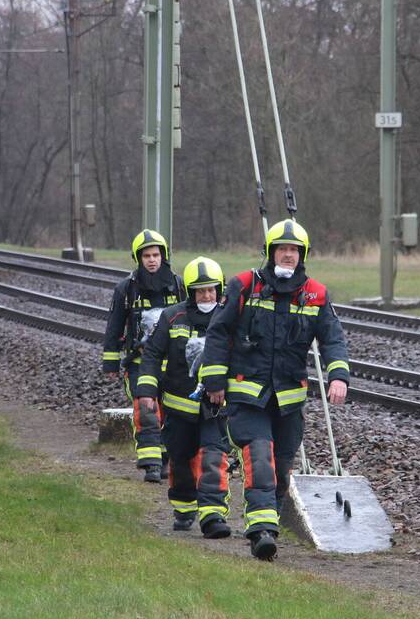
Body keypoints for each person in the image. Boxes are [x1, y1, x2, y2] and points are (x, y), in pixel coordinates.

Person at [200, 219, 350, 561]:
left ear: (303, 255)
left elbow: (333, 339)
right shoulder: (243, 285)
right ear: (270, 252)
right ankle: (262, 531)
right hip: (246, 395)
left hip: (289, 401)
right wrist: (214, 381)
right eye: (282, 249)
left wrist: (338, 375)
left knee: (281, 468)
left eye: (294, 250)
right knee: (259, 457)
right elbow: (218, 333)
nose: (288, 255)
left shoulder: (316, 294)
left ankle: (269, 521)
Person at [134, 256, 233, 539]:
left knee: (214, 457)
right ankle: (184, 507)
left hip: (215, 409)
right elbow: (152, 354)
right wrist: (146, 391)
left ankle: (213, 514)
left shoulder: (229, 320)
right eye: (201, 291)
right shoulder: (172, 317)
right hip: (178, 409)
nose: (207, 296)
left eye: (212, 289)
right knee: (180, 460)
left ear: (220, 289)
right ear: (190, 292)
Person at [102, 229, 184, 483]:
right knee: (147, 410)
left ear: (164, 256)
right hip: (140, 363)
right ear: (138, 258)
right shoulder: (127, 289)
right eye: (146, 255)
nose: (152, 260)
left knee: (171, 412)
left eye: (156, 255)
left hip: (173, 365)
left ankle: (167, 459)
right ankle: (151, 464)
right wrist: (110, 362)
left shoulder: (179, 286)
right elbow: (114, 326)